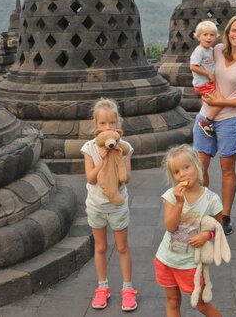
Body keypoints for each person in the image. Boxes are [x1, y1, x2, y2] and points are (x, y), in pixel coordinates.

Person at [193, 14, 236, 236]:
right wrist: (201, 86)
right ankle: (207, 209)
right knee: (200, 167)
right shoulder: (217, 50)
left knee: (227, 169)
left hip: (230, 119)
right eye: (233, 30)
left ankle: (225, 215)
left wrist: (221, 101)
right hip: (205, 115)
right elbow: (197, 62)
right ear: (228, 33)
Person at [81, 98, 138, 311]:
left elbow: (127, 177)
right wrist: (104, 161)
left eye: (112, 123)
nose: (108, 127)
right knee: (101, 247)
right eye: (103, 123)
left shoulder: (125, 147)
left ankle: (128, 288)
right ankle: (102, 286)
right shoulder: (89, 149)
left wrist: (117, 156)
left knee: (122, 247)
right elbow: (91, 179)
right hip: (96, 205)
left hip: (117, 205)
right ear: (96, 125)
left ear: (118, 124)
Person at [154, 145, 223, 317]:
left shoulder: (211, 200)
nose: (182, 174)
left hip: (190, 264)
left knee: (201, 304)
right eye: (177, 172)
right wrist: (179, 203)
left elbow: (218, 226)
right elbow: (170, 226)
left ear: (198, 166)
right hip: (166, 259)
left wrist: (207, 235)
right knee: (172, 301)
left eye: (186, 167)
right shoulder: (171, 195)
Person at [189, 21, 222, 138]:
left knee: (207, 103)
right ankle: (206, 121)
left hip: (207, 83)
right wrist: (208, 74)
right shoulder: (199, 51)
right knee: (221, 100)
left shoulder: (210, 50)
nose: (209, 37)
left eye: (212, 35)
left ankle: (204, 118)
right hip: (203, 84)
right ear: (198, 37)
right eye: (205, 34)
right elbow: (193, 66)